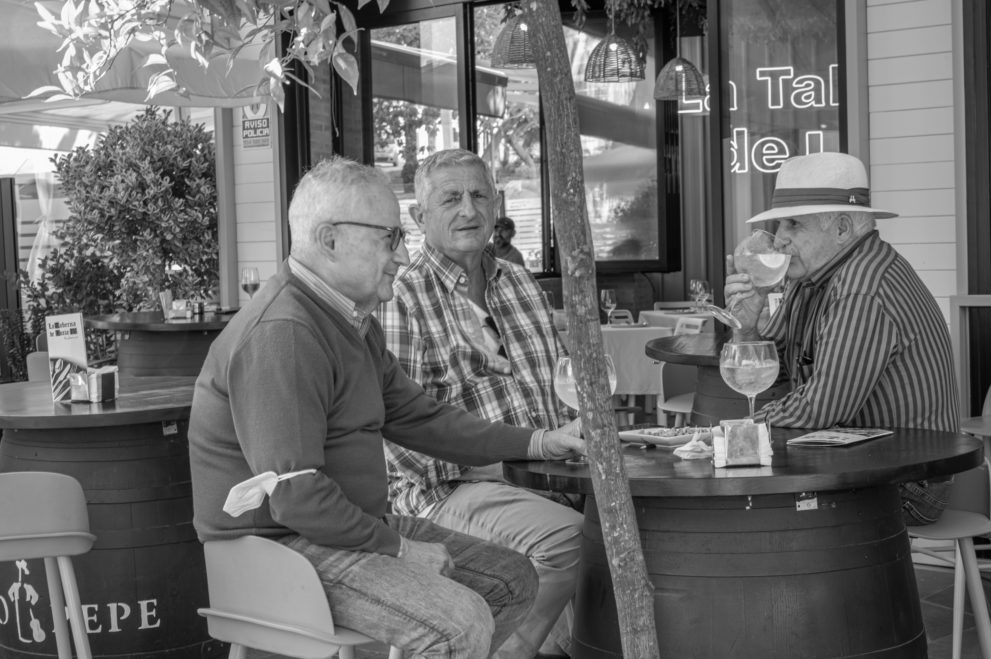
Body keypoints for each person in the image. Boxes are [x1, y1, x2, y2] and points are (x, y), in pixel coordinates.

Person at [187, 156, 586, 658]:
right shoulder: (284, 333)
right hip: (277, 550)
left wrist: (535, 442)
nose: (401, 256)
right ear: (330, 240)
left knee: (511, 580)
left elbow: (420, 418)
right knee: (457, 624)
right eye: (388, 238)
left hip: (342, 532)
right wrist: (398, 549)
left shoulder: (350, 320)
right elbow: (296, 498)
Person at [379, 149, 580, 659]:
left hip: (544, 477)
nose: (468, 210)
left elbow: (557, 388)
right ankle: (507, 652)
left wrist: (570, 440)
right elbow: (398, 439)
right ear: (420, 217)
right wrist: (518, 458)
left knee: (639, 531)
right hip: (447, 489)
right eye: (451, 198)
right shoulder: (404, 295)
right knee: (571, 539)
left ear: (496, 205)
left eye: (479, 195)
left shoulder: (517, 281)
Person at [724, 151, 958, 525]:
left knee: (746, 511)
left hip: (908, 482)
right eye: (779, 225)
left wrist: (732, 434)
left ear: (843, 229)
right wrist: (748, 329)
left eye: (794, 225)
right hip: (855, 463)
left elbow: (822, 406)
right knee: (745, 497)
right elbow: (780, 376)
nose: (779, 240)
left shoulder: (860, 288)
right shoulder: (811, 277)